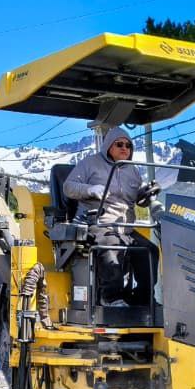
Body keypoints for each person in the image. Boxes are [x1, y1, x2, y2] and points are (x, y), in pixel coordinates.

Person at [62, 126, 161, 306]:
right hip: (97, 222)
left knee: (150, 251)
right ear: (108, 146)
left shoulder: (133, 171)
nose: (125, 148)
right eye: (119, 144)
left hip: (125, 229)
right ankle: (110, 298)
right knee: (111, 245)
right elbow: (68, 187)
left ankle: (144, 299)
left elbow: (137, 198)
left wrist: (146, 194)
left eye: (128, 145)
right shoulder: (90, 163)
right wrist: (90, 190)